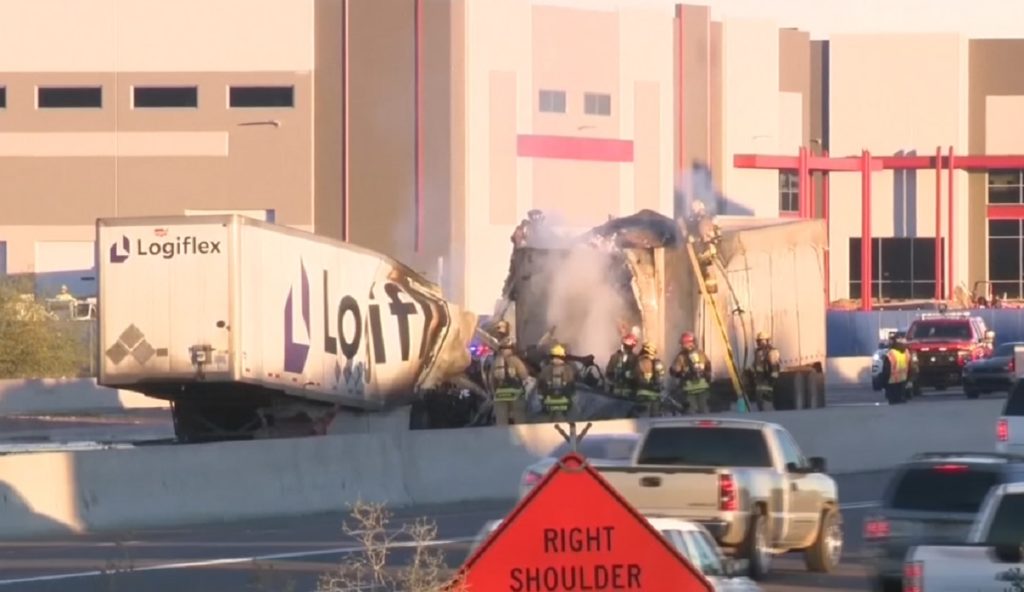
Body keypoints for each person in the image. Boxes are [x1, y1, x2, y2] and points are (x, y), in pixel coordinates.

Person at [488, 336, 530, 426]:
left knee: (501, 419)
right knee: (519, 416)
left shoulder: (496, 362)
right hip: (515, 393)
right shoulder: (515, 360)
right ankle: (520, 432)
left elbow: (491, 380)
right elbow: (524, 375)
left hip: (500, 395)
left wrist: (493, 393)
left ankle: (502, 433)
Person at [670, 331, 712, 414]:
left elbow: (675, 370)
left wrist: (677, 373)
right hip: (703, 387)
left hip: (689, 389)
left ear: (686, 343)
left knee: (691, 413)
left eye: (682, 343)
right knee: (704, 411)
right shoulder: (701, 354)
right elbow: (708, 367)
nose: (681, 346)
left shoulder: (681, 356)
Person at [537, 343, 576, 421]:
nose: (557, 360)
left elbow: (540, 385)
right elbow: (572, 385)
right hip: (560, 401)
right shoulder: (568, 369)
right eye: (556, 358)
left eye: (559, 358)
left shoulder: (546, 369)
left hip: (553, 401)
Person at [748, 331, 781, 411]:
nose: (759, 343)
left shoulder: (772, 352)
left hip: (767, 381)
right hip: (759, 382)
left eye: (761, 341)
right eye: (758, 341)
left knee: (767, 403)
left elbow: (775, 369)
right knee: (760, 403)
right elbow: (755, 365)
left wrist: (770, 381)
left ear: (766, 341)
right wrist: (749, 373)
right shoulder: (758, 352)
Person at [633, 342, 666, 417]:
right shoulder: (658, 363)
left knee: (643, 418)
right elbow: (661, 378)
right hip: (656, 396)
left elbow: (635, 377)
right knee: (655, 419)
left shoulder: (640, 362)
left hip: (643, 395)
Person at [605, 334, 639, 399]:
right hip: (628, 392)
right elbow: (638, 375)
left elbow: (608, 373)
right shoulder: (635, 358)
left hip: (617, 392)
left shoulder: (614, 356)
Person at [880, 336, 910, 405]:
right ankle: (901, 399)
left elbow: (886, 369)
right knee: (901, 399)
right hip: (903, 378)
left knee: (893, 400)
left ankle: (894, 400)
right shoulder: (906, 352)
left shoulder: (891, 353)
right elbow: (910, 365)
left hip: (892, 379)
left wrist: (883, 380)